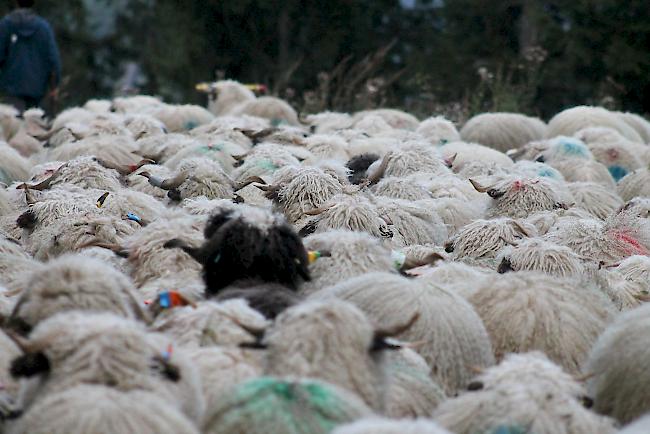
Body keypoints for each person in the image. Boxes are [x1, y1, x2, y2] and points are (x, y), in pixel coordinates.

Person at [0, 0, 60, 113]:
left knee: (14, 128)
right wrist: (54, 86)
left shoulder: (5, 25)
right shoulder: (44, 27)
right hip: (38, 93)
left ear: (16, 2)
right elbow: (53, 59)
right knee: (35, 128)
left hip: (11, 91)